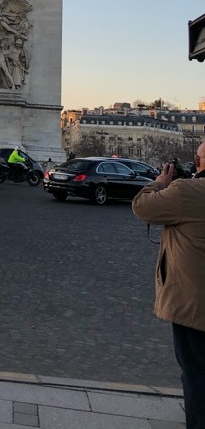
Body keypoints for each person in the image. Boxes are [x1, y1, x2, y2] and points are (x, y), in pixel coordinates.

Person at [132, 143, 205, 429]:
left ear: (199, 160)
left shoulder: (188, 191)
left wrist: (159, 183)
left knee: (197, 372)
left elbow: (142, 207)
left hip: (194, 301)